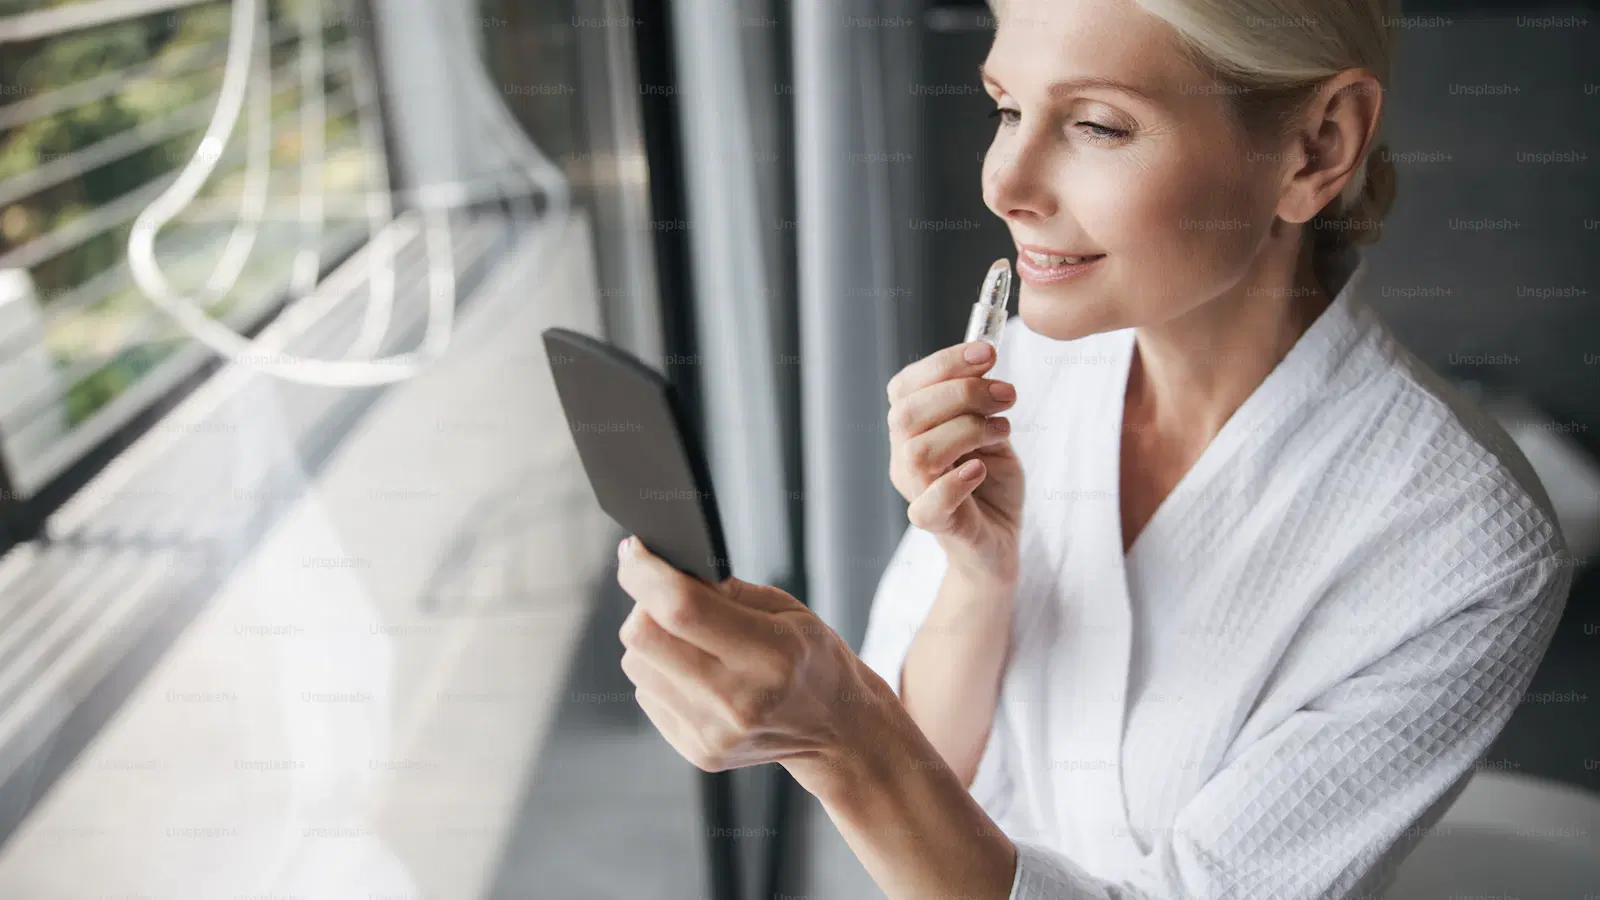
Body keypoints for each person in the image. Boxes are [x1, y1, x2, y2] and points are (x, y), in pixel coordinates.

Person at [613, 0, 1573, 896]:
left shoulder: (1467, 547)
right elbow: (934, 776)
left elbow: (890, 775)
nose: (1005, 184)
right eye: (1006, 108)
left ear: (1315, 148)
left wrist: (844, 738)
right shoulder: (1027, 369)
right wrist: (979, 577)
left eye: (1098, 126)